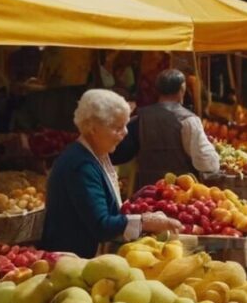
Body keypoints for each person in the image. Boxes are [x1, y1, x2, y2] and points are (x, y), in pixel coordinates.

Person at [41, 89, 182, 257]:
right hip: (73, 260)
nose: (125, 132)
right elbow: (101, 225)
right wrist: (145, 222)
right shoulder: (81, 165)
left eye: (125, 125)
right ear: (93, 129)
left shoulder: (95, 155)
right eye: (117, 127)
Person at [112, 69, 220, 189]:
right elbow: (206, 163)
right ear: (182, 89)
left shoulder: (140, 117)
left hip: (147, 193)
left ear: (158, 90)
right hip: (180, 194)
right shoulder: (189, 120)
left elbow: (120, 154)